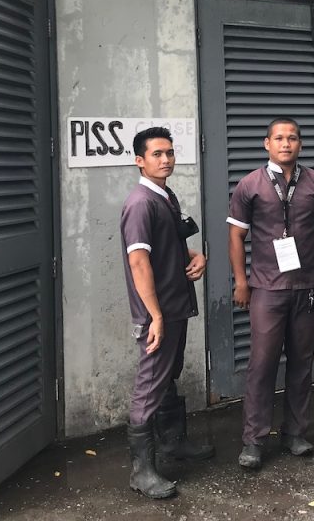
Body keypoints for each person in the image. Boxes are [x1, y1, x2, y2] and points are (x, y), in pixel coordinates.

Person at [226, 117, 314, 470]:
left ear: (300, 145)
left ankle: (295, 433)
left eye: (292, 138)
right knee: (261, 365)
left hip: (305, 287)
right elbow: (235, 236)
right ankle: (254, 440)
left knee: (301, 363)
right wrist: (242, 282)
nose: (286, 143)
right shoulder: (251, 185)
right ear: (267, 144)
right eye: (279, 138)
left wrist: (306, 247)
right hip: (266, 288)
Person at [120, 126, 214, 499]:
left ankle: (173, 443)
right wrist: (155, 315)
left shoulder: (165, 196)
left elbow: (169, 245)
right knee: (151, 383)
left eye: (170, 153)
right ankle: (141, 472)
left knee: (168, 375)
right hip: (159, 313)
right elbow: (139, 262)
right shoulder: (141, 203)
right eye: (157, 154)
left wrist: (197, 256)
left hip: (175, 306)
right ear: (139, 160)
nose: (166, 159)